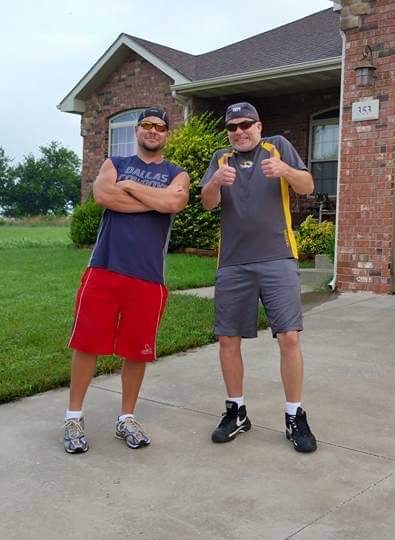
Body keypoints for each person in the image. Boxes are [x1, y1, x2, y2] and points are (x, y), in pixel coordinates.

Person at [63, 107, 189, 454]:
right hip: (104, 268)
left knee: (137, 350)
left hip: (148, 276)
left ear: (167, 134)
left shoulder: (176, 173)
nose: (153, 131)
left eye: (160, 127)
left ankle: (126, 418)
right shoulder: (114, 163)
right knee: (87, 343)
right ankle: (73, 417)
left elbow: (175, 201)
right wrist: (156, 201)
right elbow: (104, 195)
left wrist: (131, 188)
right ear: (137, 130)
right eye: (147, 125)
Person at [199, 102, 318, 453]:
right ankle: (236, 411)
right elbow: (207, 203)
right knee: (228, 340)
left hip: (278, 257)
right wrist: (215, 182)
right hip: (232, 262)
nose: (239, 131)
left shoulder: (277, 146)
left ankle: (295, 415)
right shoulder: (221, 159)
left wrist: (285, 170)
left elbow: (307, 186)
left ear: (259, 126)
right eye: (232, 127)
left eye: (245, 124)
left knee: (289, 338)